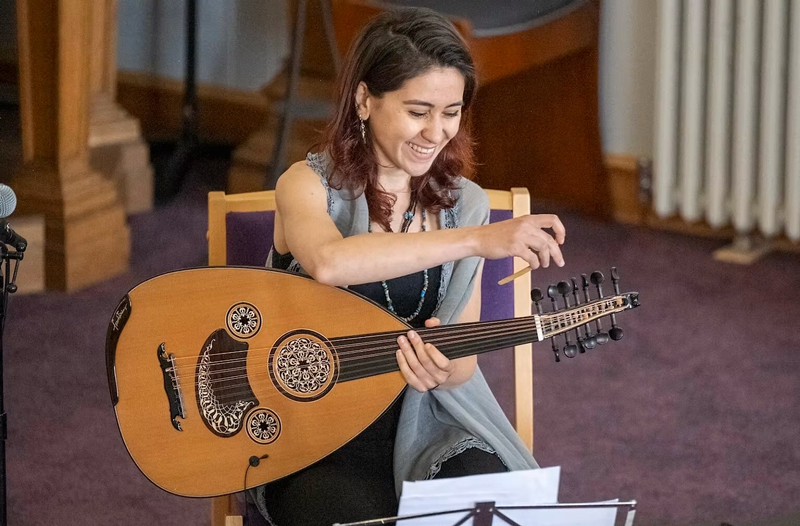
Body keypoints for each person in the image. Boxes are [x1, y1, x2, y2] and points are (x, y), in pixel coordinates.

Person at [253, 6, 566, 525]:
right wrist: (474, 241)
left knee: (496, 507)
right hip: (315, 434)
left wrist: (442, 368)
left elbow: (461, 363)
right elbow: (331, 263)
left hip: (426, 425)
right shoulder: (306, 186)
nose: (436, 132)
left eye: (452, 111)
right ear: (364, 100)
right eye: (418, 111)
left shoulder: (465, 204)